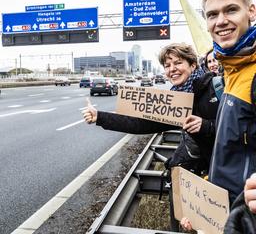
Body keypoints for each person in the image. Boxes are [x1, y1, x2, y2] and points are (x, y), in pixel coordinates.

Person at [83, 42, 220, 174]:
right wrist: (99, 117)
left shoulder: (216, 87)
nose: (172, 69)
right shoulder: (176, 100)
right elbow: (139, 123)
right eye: (167, 65)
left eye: (178, 63)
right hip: (208, 169)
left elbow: (239, 125)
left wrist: (206, 126)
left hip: (232, 168)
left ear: (193, 65)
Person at [199, 0, 256, 206]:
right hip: (226, 213)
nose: (221, 21)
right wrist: (205, 193)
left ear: (251, 11)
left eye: (231, 10)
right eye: (212, 15)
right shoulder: (231, 71)